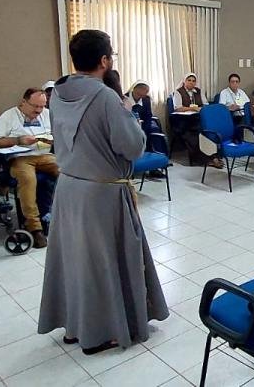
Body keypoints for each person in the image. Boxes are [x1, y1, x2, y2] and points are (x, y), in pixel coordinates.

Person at [37, 29, 169, 355]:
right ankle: (101, 332)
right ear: (105, 60)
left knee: (75, 259)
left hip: (69, 187)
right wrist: (128, 113)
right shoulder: (105, 96)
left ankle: (76, 324)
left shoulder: (57, 91)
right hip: (101, 192)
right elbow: (133, 147)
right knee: (102, 263)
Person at [0, 87, 59, 248]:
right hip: (20, 157)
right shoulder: (9, 116)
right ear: (23, 102)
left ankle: (65, 214)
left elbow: (59, 134)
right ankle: (34, 227)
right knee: (28, 179)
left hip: (45, 155)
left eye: (42, 106)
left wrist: (53, 139)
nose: (39, 110)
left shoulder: (47, 114)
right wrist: (18, 140)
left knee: (68, 172)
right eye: (35, 106)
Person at [170, 73, 221, 168]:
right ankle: (206, 159)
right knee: (195, 134)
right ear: (184, 81)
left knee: (208, 131)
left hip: (197, 118)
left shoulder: (198, 91)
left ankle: (213, 156)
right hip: (183, 121)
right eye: (189, 80)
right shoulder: (178, 92)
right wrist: (193, 108)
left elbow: (205, 104)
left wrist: (200, 108)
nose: (191, 82)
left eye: (193, 81)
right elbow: (178, 108)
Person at [125, 81, 165, 154]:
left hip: (143, 122)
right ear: (134, 90)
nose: (140, 97)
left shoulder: (146, 99)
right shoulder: (124, 98)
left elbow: (148, 116)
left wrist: (144, 128)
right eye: (138, 94)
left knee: (153, 129)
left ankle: (157, 153)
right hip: (129, 124)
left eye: (143, 95)